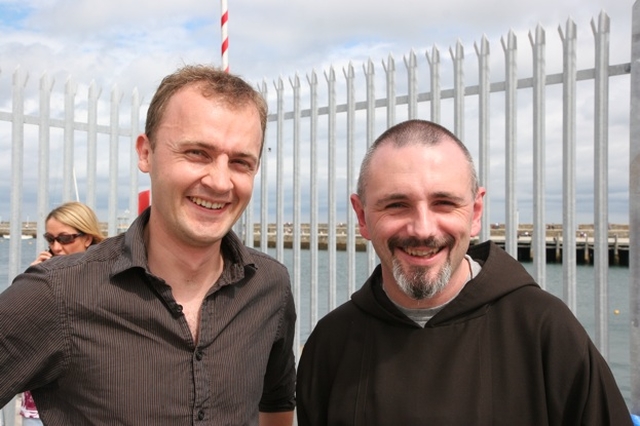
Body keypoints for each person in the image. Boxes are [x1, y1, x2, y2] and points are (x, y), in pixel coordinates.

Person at [0, 65, 297, 425]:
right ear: (146, 153)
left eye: (240, 162)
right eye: (197, 153)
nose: (220, 182)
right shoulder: (57, 294)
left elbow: (276, 404)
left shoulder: (270, 286)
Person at [296, 119, 631, 425]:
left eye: (444, 203)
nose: (423, 229)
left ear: (475, 212)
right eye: (397, 204)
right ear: (362, 216)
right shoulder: (330, 345)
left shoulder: (546, 332)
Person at [20, 201, 105, 426]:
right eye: (51, 239)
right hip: (42, 402)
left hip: (90, 402)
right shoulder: (40, 279)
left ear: (87, 238)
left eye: (65, 239)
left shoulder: (107, 279)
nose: (57, 247)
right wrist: (30, 281)